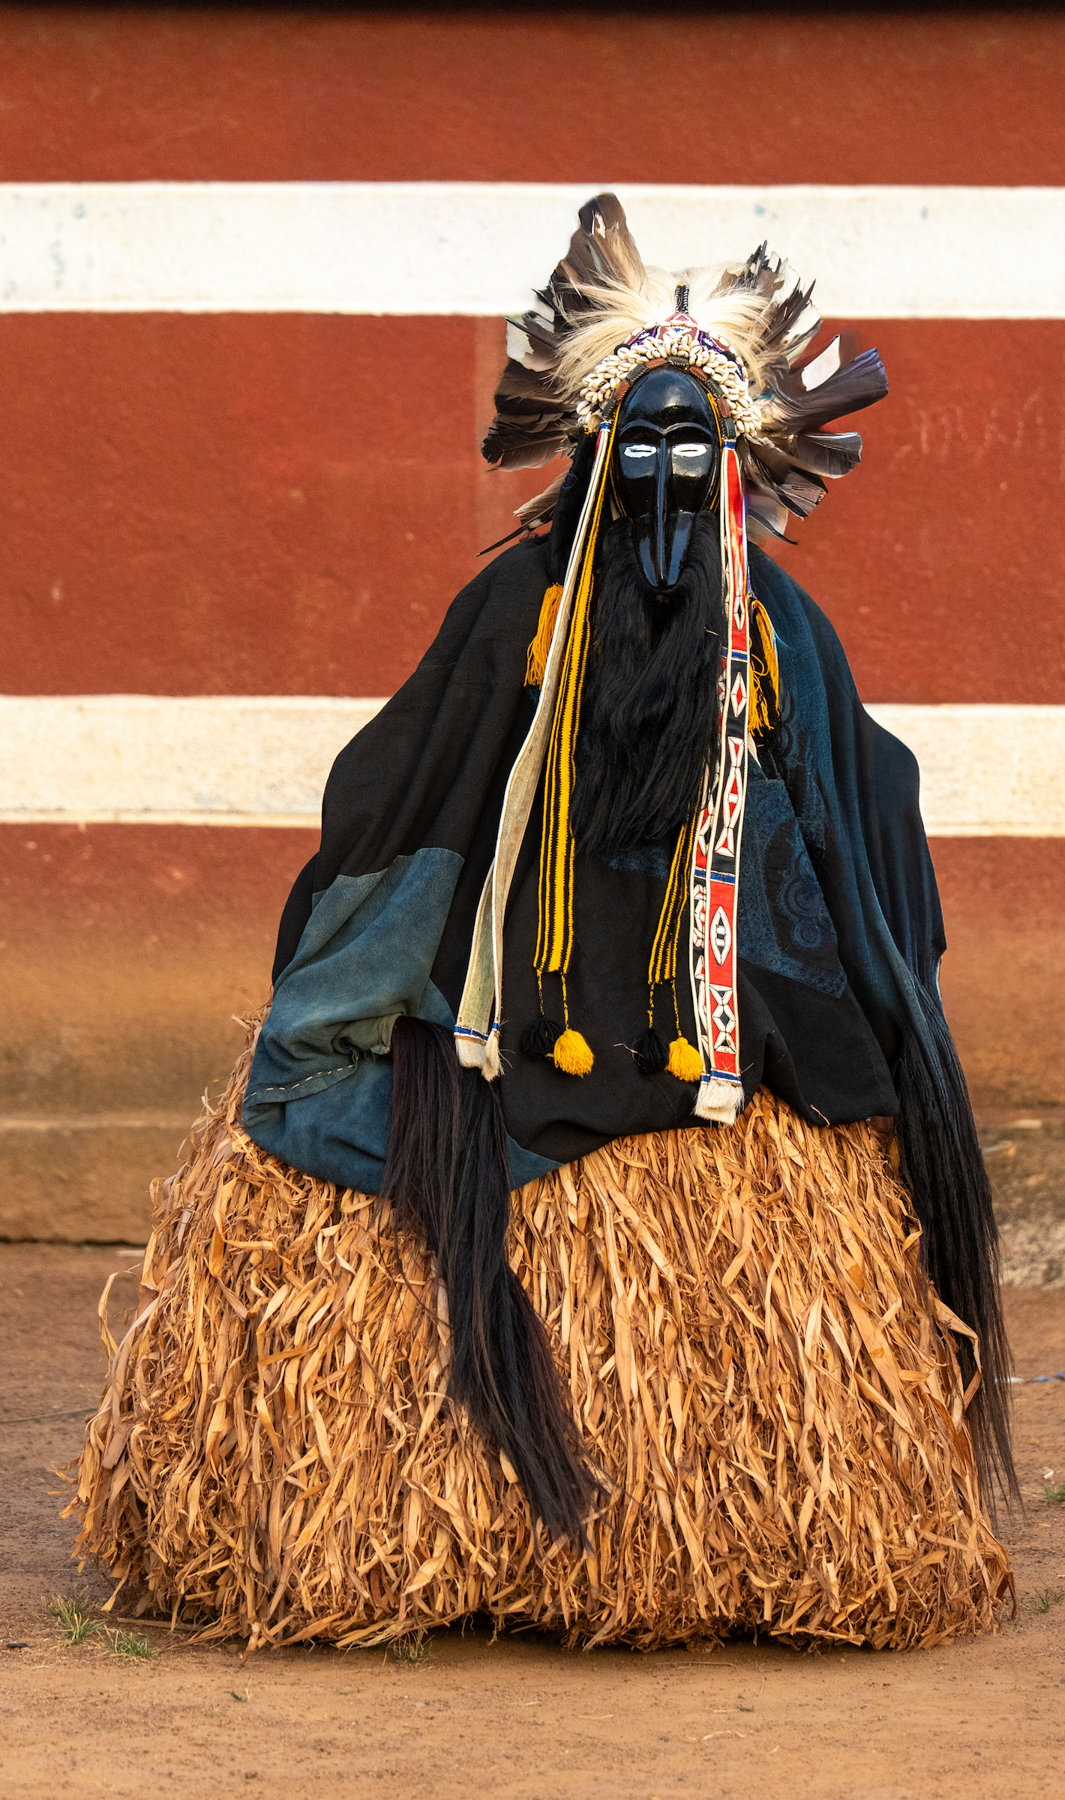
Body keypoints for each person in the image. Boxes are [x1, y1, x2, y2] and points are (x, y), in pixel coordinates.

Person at [71, 195, 1014, 1654]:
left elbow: (856, 797)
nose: (662, 475)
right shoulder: (516, 607)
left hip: (722, 1036)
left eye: (693, 450)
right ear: (586, 454)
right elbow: (409, 787)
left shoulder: (777, 635)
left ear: (741, 469)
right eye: (636, 445)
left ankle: (731, 1542)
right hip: (512, 1010)